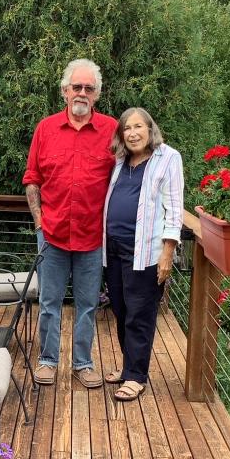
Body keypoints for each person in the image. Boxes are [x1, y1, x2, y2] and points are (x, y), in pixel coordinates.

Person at [22, 59, 118, 388]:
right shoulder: (45, 129)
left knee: (87, 304)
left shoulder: (111, 130)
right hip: (52, 233)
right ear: (65, 91)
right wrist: (39, 224)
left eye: (88, 88)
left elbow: (131, 172)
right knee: (48, 302)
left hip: (93, 236)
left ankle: (83, 363)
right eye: (76, 87)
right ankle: (47, 360)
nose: (81, 92)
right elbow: (32, 179)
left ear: (97, 95)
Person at [103, 107, 183, 401]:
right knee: (121, 310)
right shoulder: (122, 160)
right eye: (127, 128)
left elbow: (174, 209)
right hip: (114, 249)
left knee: (140, 313)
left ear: (151, 129)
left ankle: (137, 376)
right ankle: (129, 368)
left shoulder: (169, 158)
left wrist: (167, 253)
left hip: (146, 253)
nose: (133, 133)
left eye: (138, 127)